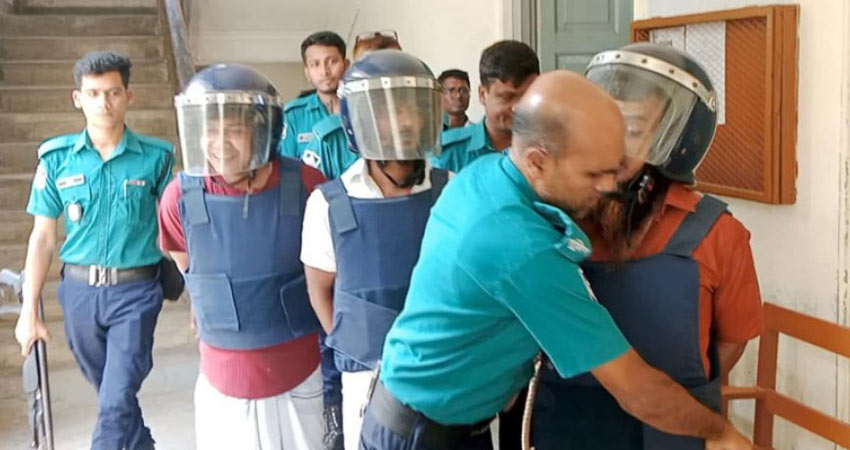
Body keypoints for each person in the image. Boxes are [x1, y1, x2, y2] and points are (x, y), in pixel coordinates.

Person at [358, 71, 753, 450]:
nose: (610, 187)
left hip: (448, 416)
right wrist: (719, 432)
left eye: (614, 167)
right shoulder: (522, 248)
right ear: (537, 161)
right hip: (418, 433)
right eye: (594, 174)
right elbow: (637, 391)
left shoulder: (488, 173)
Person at [531, 42, 764, 450]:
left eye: (634, 131)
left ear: (677, 144)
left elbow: (732, 340)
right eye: (605, 127)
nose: (613, 147)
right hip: (569, 426)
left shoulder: (717, 234)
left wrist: (668, 398)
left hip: (675, 430)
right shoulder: (554, 220)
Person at [158, 64, 325, 450]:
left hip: (298, 375)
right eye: (210, 130)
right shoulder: (179, 197)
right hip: (223, 381)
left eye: (233, 129)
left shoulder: (307, 186)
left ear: (264, 132)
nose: (219, 143)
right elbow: (188, 264)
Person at [15, 51, 174, 450]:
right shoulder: (56, 159)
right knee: (113, 396)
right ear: (78, 98)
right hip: (79, 294)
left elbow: (176, 228)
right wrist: (29, 311)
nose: (104, 103)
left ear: (128, 96)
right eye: (93, 93)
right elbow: (43, 238)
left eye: (113, 92)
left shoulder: (156, 158)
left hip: (136, 292)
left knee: (116, 397)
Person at [302, 49, 447, 450]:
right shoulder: (327, 204)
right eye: (387, 111)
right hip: (366, 379)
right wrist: (358, 342)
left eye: (411, 108)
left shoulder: (451, 189)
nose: (404, 121)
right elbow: (320, 290)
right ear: (359, 119)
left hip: (446, 371)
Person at [302, 31, 402, 180]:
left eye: (394, 69)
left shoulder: (423, 126)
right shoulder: (330, 139)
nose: (384, 80)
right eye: (373, 70)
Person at [433, 40, 539, 172]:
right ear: (483, 94)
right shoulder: (448, 153)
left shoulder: (550, 149)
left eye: (527, 96)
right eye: (507, 97)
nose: (518, 107)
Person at [279, 31, 349, 161]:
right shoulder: (293, 115)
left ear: (346, 66)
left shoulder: (363, 109)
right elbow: (286, 165)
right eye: (315, 64)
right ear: (307, 73)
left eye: (332, 62)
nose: (324, 72)